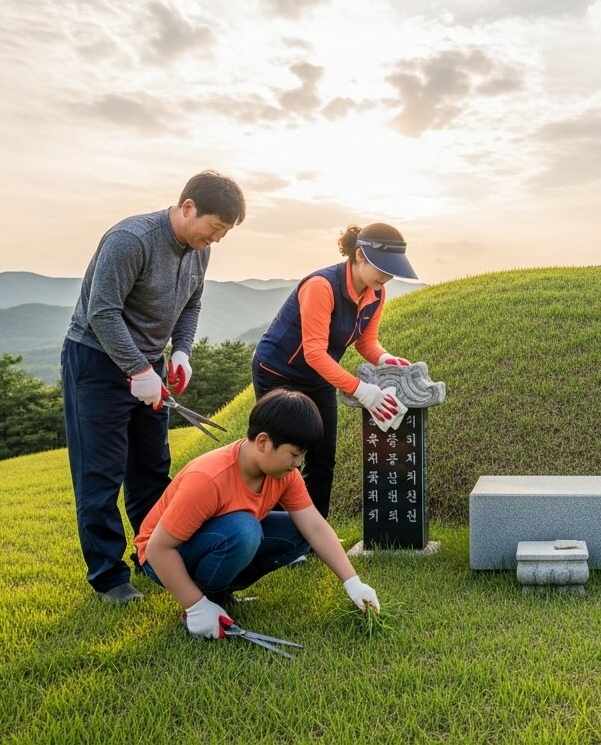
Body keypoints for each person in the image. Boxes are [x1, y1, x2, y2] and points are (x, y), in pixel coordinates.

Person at [62, 170, 246, 604]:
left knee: (151, 467)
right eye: (214, 228)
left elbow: (192, 302)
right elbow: (102, 312)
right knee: (100, 473)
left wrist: (179, 351)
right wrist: (137, 370)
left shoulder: (199, 250)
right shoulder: (132, 240)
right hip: (97, 360)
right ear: (187, 208)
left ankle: (153, 558)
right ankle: (109, 578)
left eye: (223, 233)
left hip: (148, 363)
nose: (215, 240)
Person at [136, 389, 380, 638]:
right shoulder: (208, 478)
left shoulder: (285, 476)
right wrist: (196, 607)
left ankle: (220, 595)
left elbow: (315, 526)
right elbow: (158, 549)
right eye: (295, 454)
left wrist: (353, 582)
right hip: (162, 558)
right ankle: (204, 601)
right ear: (263, 442)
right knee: (245, 529)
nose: (298, 464)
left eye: (303, 456)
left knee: (300, 532)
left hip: (213, 540)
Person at [251, 222, 420, 518]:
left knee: (323, 455)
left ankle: (314, 532)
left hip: (319, 376)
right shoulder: (322, 286)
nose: (387, 276)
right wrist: (360, 390)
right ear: (358, 255)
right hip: (277, 371)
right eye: (382, 267)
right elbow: (314, 352)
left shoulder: (375, 293)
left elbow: (366, 341)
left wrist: (384, 359)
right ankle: (273, 528)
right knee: (280, 454)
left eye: (392, 270)